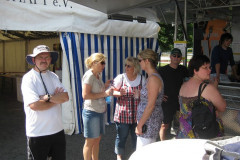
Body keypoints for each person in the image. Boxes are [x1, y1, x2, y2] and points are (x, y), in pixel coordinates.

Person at [21, 45, 69, 160]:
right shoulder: (28, 79)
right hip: (37, 133)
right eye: (40, 57)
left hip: (57, 131)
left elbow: (65, 97)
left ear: (50, 60)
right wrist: (56, 99)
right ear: (33, 60)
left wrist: (46, 98)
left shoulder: (53, 76)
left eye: (47, 57)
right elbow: (35, 105)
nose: (44, 60)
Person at [177, 55, 226, 138]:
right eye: (205, 68)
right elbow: (222, 107)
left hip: (185, 133)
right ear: (195, 70)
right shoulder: (207, 88)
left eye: (209, 67)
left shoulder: (183, 86)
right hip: (203, 134)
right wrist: (214, 87)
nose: (209, 70)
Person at [112, 57, 146, 160]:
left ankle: (136, 155)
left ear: (135, 67)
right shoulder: (121, 78)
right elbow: (111, 91)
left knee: (137, 137)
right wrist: (119, 93)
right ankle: (119, 156)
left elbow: (147, 95)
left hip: (137, 115)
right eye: (125, 65)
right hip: (123, 114)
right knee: (121, 137)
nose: (126, 67)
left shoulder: (142, 79)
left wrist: (140, 94)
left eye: (129, 66)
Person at [82, 53, 113, 160]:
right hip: (91, 112)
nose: (104, 66)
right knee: (90, 141)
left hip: (99, 111)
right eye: (102, 63)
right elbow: (85, 95)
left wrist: (105, 86)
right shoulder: (89, 75)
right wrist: (105, 94)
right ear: (94, 63)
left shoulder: (97, 74)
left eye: (104, 63)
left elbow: (97, 91)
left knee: (97, 140)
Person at [135, 49, 164, 148]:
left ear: (147, 60)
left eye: (140, 60)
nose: (139, 63)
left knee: (143, 151)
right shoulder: (151, 77)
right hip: (149, 120)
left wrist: (139, 125)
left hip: (149, 122)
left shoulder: (153, 79)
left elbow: (151, 105)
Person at [158, 48, 188, 141]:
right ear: (170, 57)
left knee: (184, 123)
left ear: (181, 58)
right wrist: (160, 95)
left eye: (178, 56)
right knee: (165, 125)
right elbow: (155, 84)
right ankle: (162, 144)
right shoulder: (162, 70)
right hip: (167, 101)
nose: (176, 57)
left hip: (180, 101)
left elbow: (188, 82)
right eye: (174, 55)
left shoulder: (183, 69)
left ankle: (180, 141)